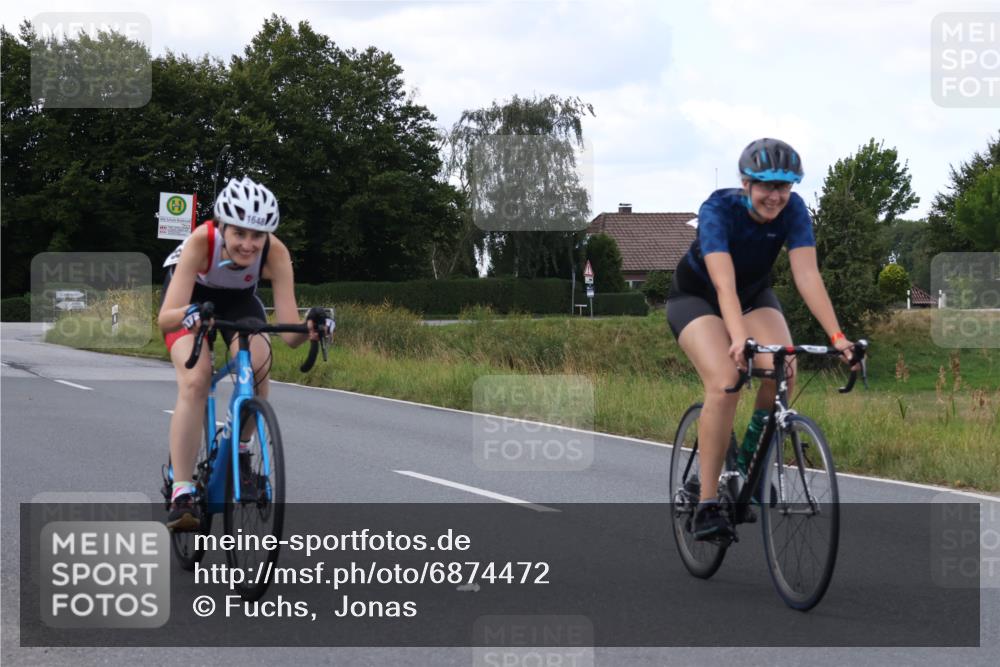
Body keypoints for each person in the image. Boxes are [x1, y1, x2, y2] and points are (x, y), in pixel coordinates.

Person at [666, 138, 855, 540]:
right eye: (767, 185)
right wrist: (739, 339)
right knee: (726, 381)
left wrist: (839, 337)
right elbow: (724, 285)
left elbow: (807, 275)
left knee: (785, 368)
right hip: (698, 298)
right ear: (747, 183)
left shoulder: (794, 210)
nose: (776, 196)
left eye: (784, 186)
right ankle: (707, 503)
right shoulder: (718, 209)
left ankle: (748, 463)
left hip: (753, 295)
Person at [158, 176, 334, 531]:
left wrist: (310, 328)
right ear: (222, 226)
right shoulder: (201, 242)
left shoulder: (276, 252)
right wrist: (191, 315)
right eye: (239, 233)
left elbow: (289, 335)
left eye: (258, 235)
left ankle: (241, 452)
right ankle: (182, 491)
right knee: (196, 378)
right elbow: (165, 318)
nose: (249, 244)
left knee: (259, 363)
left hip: (239, 302)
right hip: (189, 302)